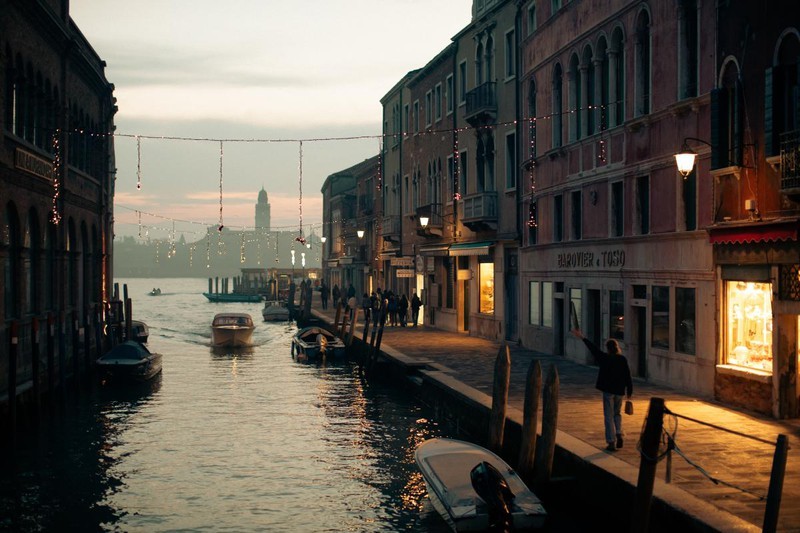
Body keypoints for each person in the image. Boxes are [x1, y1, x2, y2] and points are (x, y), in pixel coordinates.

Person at [571, 328, 633, 452]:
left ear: (608, 348)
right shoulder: (622, 359)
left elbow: (593, 349)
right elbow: (628, 375)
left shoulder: (604, 358)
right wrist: (629, 392)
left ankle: (611, 441)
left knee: (608, 416)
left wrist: (582, 337)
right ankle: (619, 433)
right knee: (617, 413)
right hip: (620, 391)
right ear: (617, 347)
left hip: (608, 391)